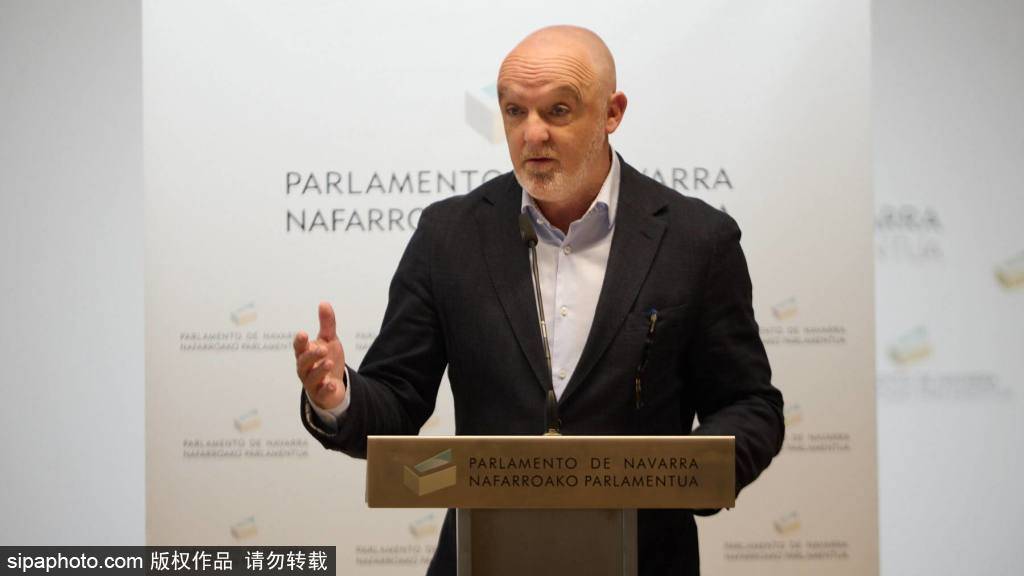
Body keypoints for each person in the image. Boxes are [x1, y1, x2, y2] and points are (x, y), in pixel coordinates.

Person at [293, 25, 784, 576]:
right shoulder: (449, 235)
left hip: (644, 558)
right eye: (514, 111)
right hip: (484, 558)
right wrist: (338, 396)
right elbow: (398, 400)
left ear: (612, 113)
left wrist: (686, 475)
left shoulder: (696, 239)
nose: (532, 134)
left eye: (558, 111)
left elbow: (751, 405)